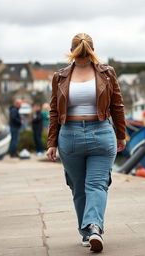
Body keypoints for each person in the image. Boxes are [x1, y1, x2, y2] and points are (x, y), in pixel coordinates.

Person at [46, 33, 126, 252]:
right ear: (92, 49)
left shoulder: (66, 75)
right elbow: (117, 107)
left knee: (81, 187)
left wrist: (51, 143)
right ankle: (91, 229)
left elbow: (53, 111)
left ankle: (92, 229)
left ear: (71, 50)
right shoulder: (63, 76)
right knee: (93, 185)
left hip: (74, 135)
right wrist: (121, 135)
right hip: (98, 133)